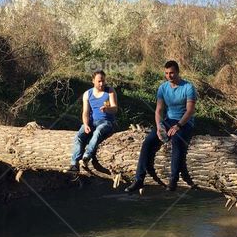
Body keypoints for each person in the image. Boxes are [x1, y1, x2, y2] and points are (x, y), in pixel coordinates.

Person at [125, 60, 196, 193]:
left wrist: (178, 126)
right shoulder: (163, 88)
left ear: (178, 72)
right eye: (167, 73)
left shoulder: (188, 87)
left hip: (185, 122)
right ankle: (139, 179)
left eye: (172, 73)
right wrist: (159, 126)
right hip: (168, 120)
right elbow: (159, 110)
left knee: (176, 140)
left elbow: (190, 110)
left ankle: (173, 180)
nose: (169, 76)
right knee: (148, 142)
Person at [69, 70, 118, 171]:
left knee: (98, 131)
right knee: (79, 136)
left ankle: (87, 156)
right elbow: (85, 112)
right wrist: (86, 124)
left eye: (103, 81)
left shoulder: (110, 91)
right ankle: (74, 164)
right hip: (92, 122)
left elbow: (115, 108)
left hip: (107, 122)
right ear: (93, 81)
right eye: (99, 81)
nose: (102, 83)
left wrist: (107, 109)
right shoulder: (87, 94)